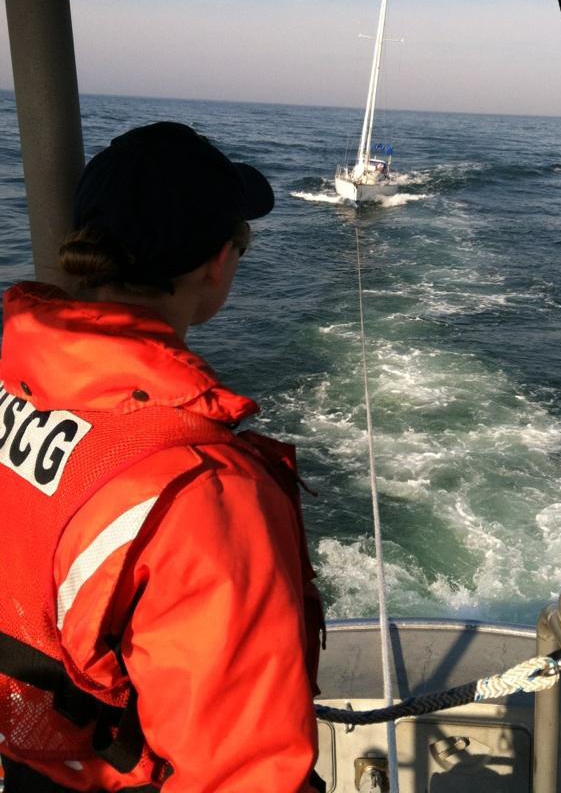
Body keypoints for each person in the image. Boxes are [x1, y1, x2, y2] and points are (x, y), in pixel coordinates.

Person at [0, 122, 325, 793]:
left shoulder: (11, 381)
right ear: (217, 263)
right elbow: (239, 771)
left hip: (28, 753)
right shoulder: (201, 488)